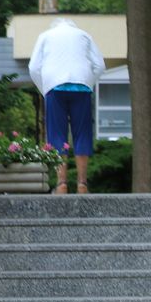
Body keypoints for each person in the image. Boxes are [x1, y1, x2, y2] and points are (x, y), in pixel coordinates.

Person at [28, 18, 106, 195]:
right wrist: (88, 84)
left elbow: (33, 67)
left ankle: (62, 183)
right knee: (82, 133)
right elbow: (100, 65)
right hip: (82, 86)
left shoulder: (45, 36)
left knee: (57, 134)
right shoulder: (84, 35)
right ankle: (82, 184)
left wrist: (44, 88)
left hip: (55, 87)